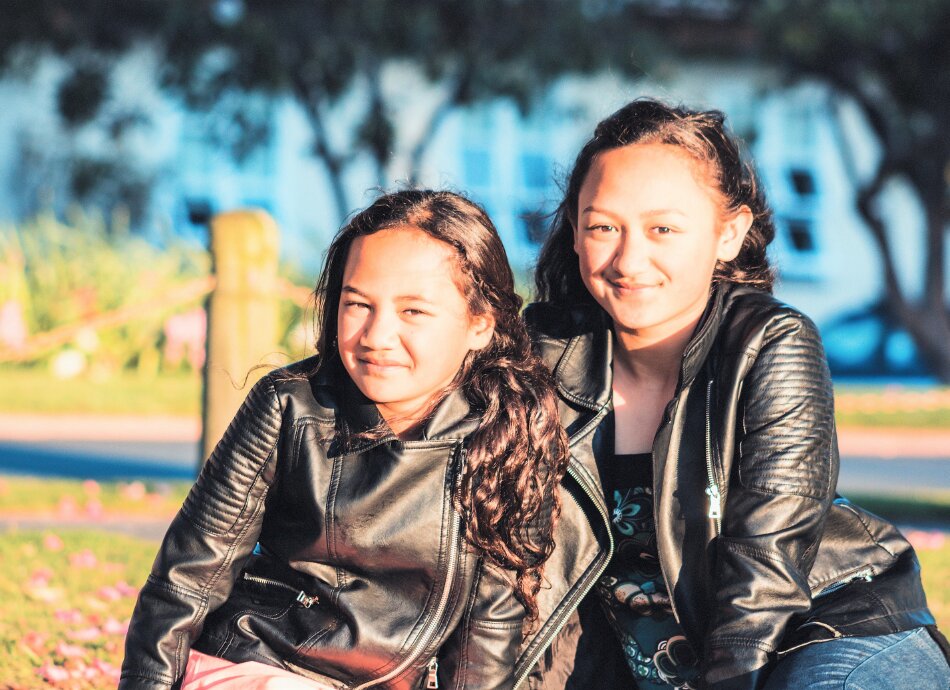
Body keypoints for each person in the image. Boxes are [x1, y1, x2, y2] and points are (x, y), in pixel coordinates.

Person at [525, 98, 950, 689]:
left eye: (663, 229)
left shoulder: (770, 342)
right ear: (574, 232)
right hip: (666, 665)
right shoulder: (539, 361)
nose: (629, 258)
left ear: (729, 233)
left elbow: (766, 576)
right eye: (603, 227)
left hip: (828, 632)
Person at [119, 190, 572, 690]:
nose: (377, 335)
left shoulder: (511, 434)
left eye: (413, 312)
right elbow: (187, 578)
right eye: (357, 303)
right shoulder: (288, 405)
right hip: (260, 667)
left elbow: (486, 637)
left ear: (480, 325)